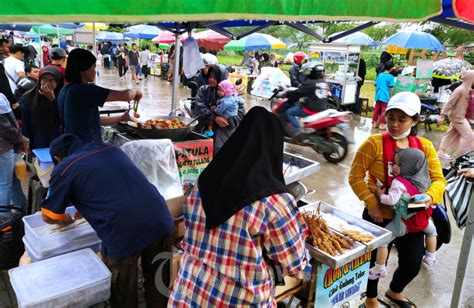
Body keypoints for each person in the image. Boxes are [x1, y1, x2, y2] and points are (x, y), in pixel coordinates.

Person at [169, 107, 308, 307]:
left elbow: (190, 226)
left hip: (188, 294)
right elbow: (293, 264)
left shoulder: (203, 182)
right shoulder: (275, 203)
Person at [42, 134, 174, 307]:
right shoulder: (111, 149)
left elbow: (49, 216)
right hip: (160, 218)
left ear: (57, 158)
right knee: (159, 283)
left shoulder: (65, 167)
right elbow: (113, 185)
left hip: (122, 231)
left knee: (123, 294)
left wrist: (65, 219)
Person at [349, 92, 446, 308]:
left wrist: (429, 197)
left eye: (402, 120)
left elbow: (438, 179)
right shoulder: (373, 143)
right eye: (390, 118)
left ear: (414, 120)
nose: (394, 124)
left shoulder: (425, 147)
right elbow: (355, 176)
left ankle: (394, 291)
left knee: (412, 263)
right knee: (374, 262)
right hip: (379, 216)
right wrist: (371, 203)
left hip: (412, 217)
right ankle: (371, 298)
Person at [370, 148, 438, 281]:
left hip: (405, 223)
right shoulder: (424, 179)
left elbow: (391, 201)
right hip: (422, 219)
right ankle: (431, 256)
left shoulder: (398, 182)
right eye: (394, 163)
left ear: (409, 166)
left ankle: (379, 268)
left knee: (383, 240)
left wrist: (380, 195)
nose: (394, 167)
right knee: (432, 232)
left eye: (399, 165)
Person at [58, 48, 141, 143]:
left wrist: (123, 117)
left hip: (72, 145)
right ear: (83, 69)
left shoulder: (65, 89)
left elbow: (96, 120)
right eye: (93, 67)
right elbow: (126, 95)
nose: (95, 72)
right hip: (85, 148)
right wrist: (136, 91)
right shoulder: (84, 90)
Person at [194, 65, 244, 153]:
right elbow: (199, 110)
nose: (211, 79)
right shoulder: (203, 91)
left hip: (225, 136)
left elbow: (241, 115)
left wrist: (228, 120)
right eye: (210, 77)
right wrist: (215, 118)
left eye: (215, 77)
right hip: (205, 134)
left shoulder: (232, 95)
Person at [21, 66, 64, 149]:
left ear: (58, 82)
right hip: (38, 141)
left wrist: (53, 100)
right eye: (44, 79)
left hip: (58, 141)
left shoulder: (63, 96)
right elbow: (26, 123)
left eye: (52, 80)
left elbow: (64, 118)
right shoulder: (29, 97)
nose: (47, 83)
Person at [283, 61, 328, 135]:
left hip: (312, 109)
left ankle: (297, 129)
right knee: (300, 104)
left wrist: (286, 94)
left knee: (289, 112)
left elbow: (297, 93)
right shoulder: (324, 82)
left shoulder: (310, 83)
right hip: (322, 108)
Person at [437, 70, 474, 159]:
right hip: (458, 117)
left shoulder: (468, 90)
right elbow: (449, 103)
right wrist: (442, 115)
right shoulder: (460, 90)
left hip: (461, 116)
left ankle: (441, 152)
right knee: (468, 134)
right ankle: (463, 154)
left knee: (450, 134)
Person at [0, 93, 28, 209]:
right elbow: (5, 127)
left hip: (6, 148)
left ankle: (20, 210)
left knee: (12, 182)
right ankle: (4, 218)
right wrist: (20, 138)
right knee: (4, 185)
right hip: (4, 148)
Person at [372, 61, 395, 130]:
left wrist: (376, 93)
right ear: (391, 69)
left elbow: (376, 85)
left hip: (378, 94)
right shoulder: (391, 77)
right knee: (384, 110)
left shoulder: (380, 75)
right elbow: (391, 88)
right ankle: (381, 124)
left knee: (376, 109)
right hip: (385, 95)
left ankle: (374, 123)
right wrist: (390, 96)